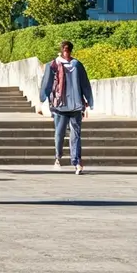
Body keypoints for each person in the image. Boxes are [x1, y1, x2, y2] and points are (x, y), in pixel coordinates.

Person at [39, 40, 94, 175]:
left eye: (68, 50)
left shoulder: (77, 65)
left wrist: (89, 100)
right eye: (64, 50)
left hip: (76, 106)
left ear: (70, 51)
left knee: (76, 135)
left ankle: (76, 162)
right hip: (60, 106)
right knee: (60, 134)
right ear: (61, 50)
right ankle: (58, 157)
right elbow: (47, 82)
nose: (66, 52)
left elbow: (85, 84)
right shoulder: (53, 65)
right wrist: (43, 98)